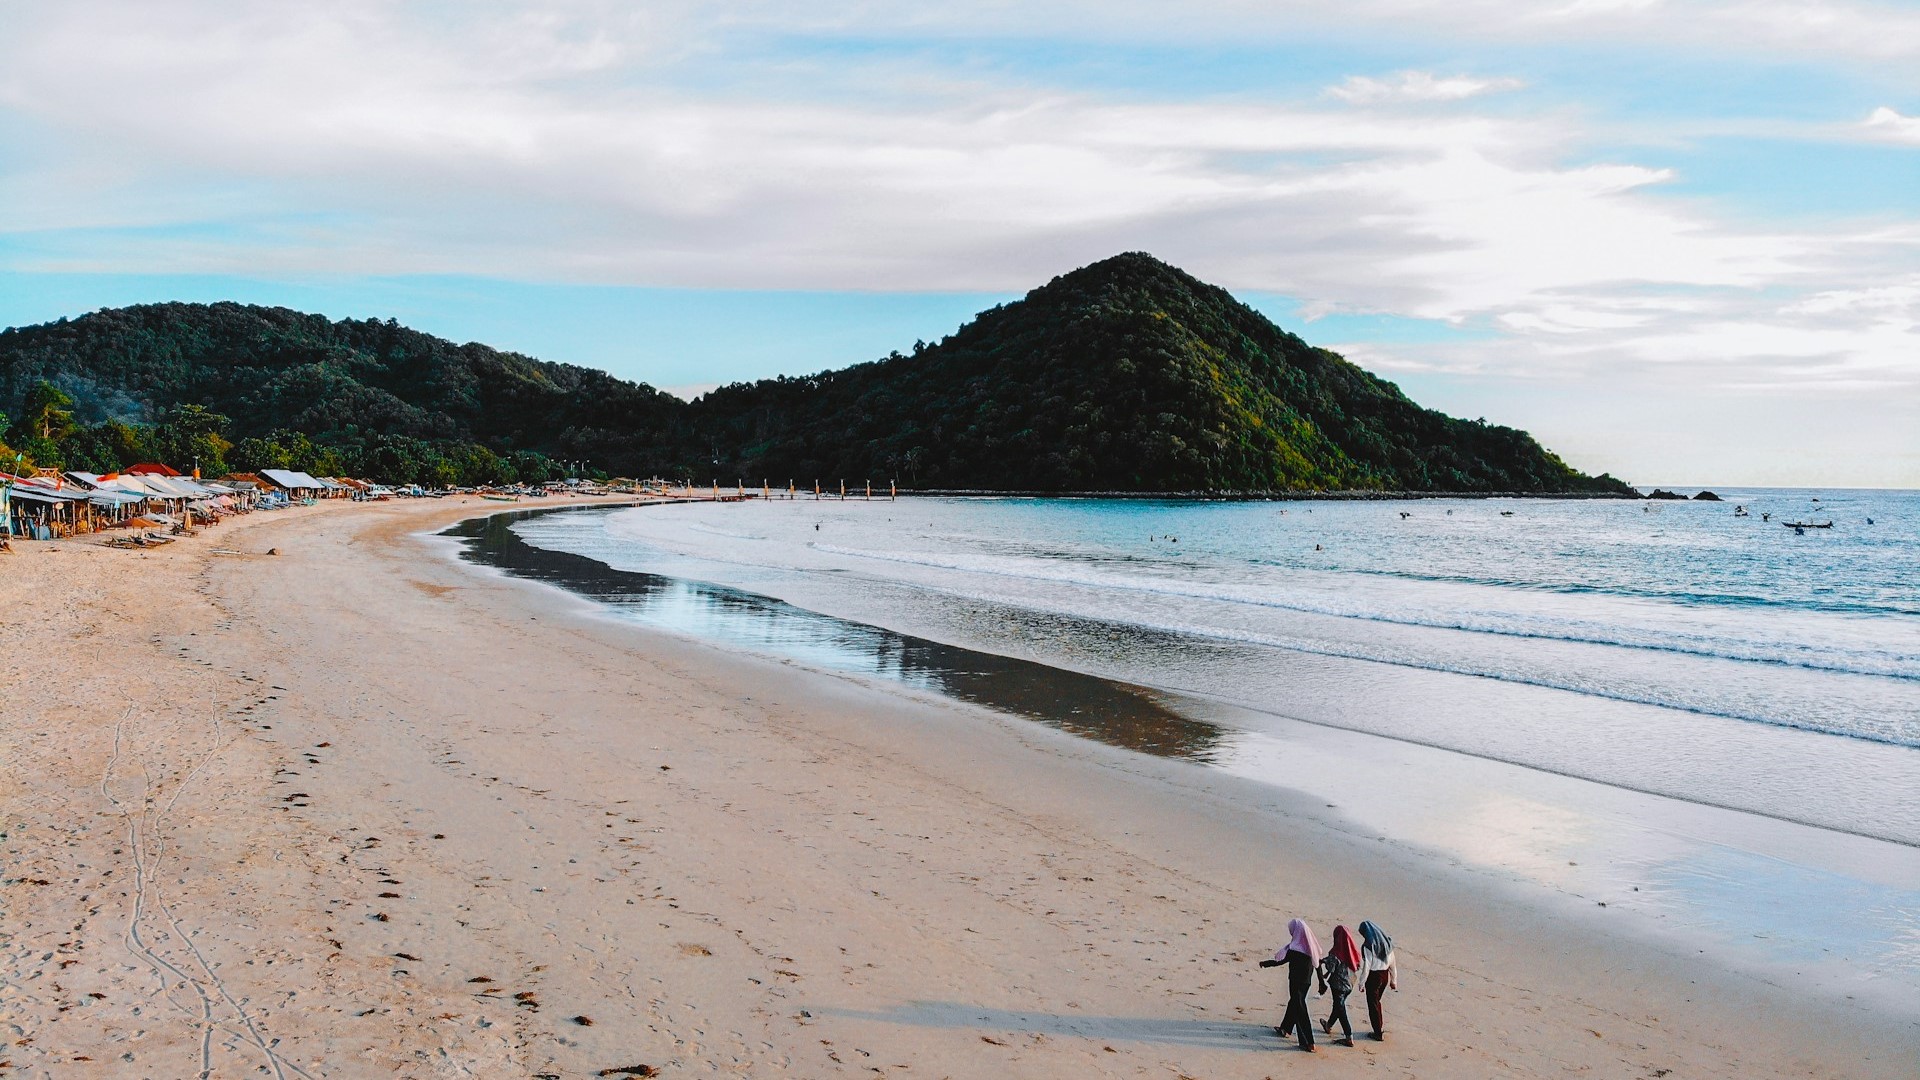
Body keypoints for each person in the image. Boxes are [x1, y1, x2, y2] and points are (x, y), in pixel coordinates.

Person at [1258, 918, 1319, 1051]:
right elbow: (1317, 964)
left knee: (1300, 1009)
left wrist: (1265, 963)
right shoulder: (1311, 947)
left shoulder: (1295, 949)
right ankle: (1285, 1028)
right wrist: (1322, 983)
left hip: (1296, 982)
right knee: (1295, 1003)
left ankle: (1309, 1042)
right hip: (1306, 982)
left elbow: (1280, 961)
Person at [1318, 924, 1361, 1046]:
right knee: (1338, 1005)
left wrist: (1324, 962)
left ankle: (1349, 1036)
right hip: (1350, 983)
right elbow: (1356, 965)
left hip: (1338, 986)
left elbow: (1331, 967)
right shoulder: (1352, 950)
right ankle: (1328, 1025)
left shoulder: (1335, 952)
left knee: (1340, 1009)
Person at [1358, 919, 1398, 1041]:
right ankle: (1379, 1027)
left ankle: (1378, 1032)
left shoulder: (1368, 946)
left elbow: (1367, 966)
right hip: (1385, 976)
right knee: (1377, 1002)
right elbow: (1393, 963)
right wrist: (1393, 980)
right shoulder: (1387, 944)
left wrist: (1361, 982)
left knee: (1373, 1004)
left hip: (1373, 978)